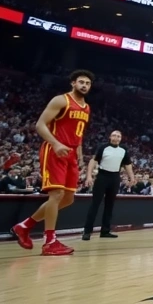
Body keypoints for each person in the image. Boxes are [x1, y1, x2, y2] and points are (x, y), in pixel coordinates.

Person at [10, 70, 95, 256]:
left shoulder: (86, 108)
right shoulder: (61, 100)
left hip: (71, 154)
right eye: (81, 82)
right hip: (54, 149)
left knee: (68, 199)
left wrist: (80, 156)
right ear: (73, 83)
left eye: (88, 83)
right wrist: (55, 144)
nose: (84, 86)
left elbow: (78, 135)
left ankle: (24, 226)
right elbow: (40, 124)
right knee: (56, 195)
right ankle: (50, 241)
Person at [82, 130, 136, 240]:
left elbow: (127, 164)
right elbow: (93, 161)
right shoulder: (103, 147)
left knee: (110, 205)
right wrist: (89, 176)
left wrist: (132, 177)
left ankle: (105, 231)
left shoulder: (123, 149)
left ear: (121, 138)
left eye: (118, 136)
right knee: (95, 204)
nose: (116, 138)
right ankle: (87, 231)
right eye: (114, 135)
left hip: (115, 177)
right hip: (102, 176)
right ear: (110, 137)